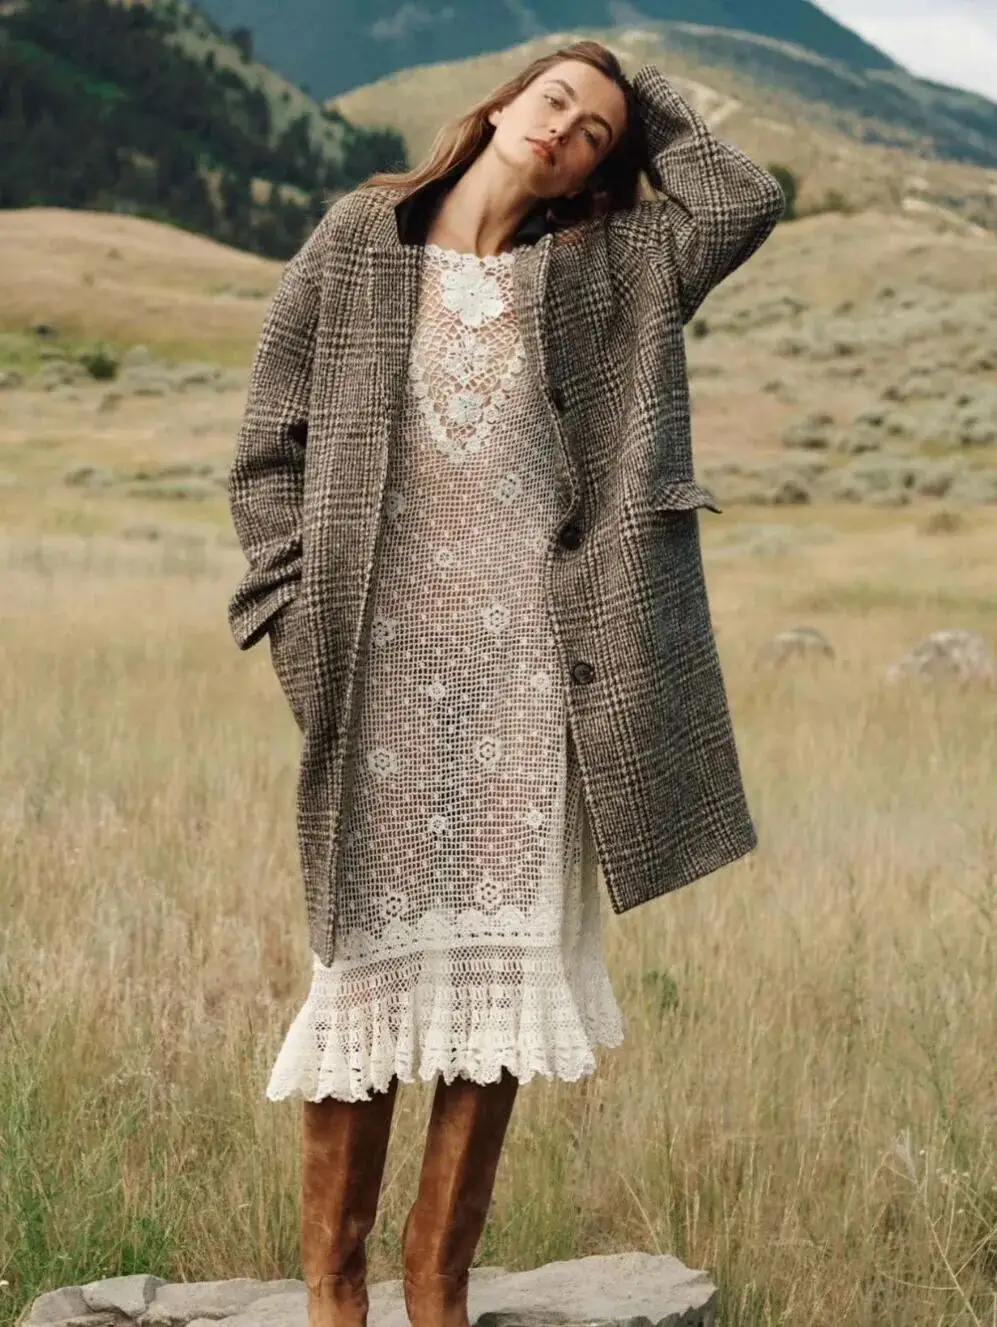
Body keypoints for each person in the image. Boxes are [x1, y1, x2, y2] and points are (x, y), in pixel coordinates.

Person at [226, 38, 785, 1327]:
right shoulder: (361, 240)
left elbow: (744, 201)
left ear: (603, 169)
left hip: (539, 679)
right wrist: (296, 617)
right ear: (496, 107)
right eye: (553, 101)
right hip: (380, 672)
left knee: (503, 976)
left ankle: (437, 1287)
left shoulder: (614, 268)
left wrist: (636, 88)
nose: (565, 131)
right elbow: (268, 445)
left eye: (596, 134)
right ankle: (334, 1290)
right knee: (365, 965)